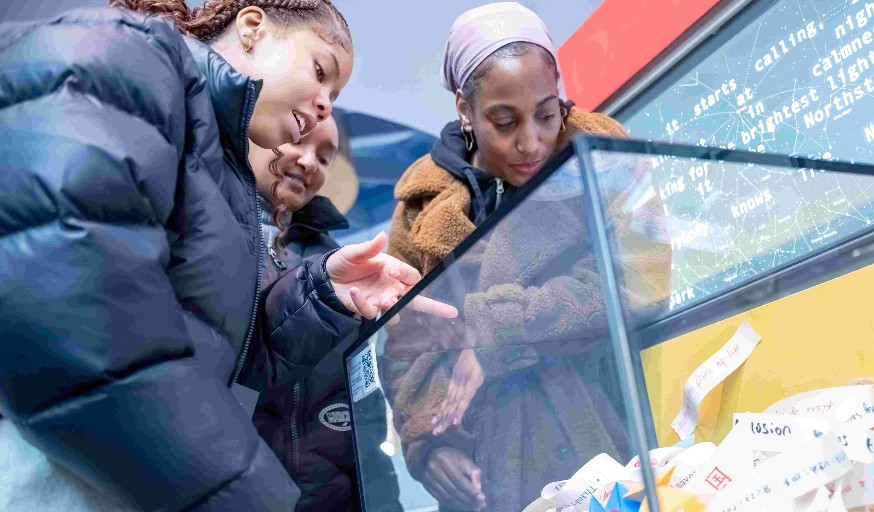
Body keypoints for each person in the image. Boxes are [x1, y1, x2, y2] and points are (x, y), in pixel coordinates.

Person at [0, 2, 454, 511]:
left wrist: (321, 295)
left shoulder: (222, 183)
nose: (325, 106)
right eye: (321, 71)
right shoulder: (126, 54)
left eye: (335, 95)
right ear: (252, 26)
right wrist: (249, 497)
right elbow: (71, 313)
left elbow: (222, 360)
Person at [380, 3, 670, 511]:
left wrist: (494, 329)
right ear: (464, 110)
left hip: (603, 438)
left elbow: (640, 283)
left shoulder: (602, 153)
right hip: (486, 465)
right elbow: (403, 344)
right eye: (504, 121)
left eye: (546, 112)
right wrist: (428, 446)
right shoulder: (418, 205)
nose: (531, 142)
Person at [246, 116, 403, 512]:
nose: (310, 161)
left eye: (325, 156)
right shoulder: (207, 233)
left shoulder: (338, 265)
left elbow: (362, 412)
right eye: (297, 139)